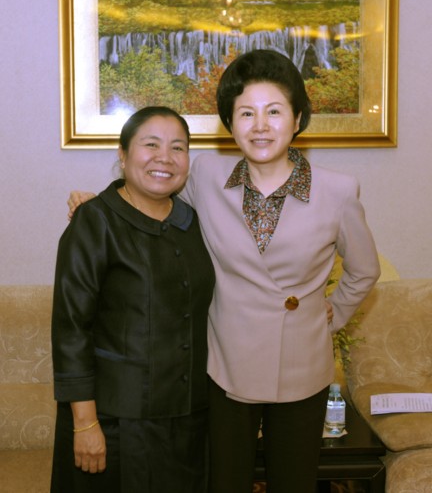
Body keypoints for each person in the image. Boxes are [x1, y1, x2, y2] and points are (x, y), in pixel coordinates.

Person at [67, 49, 380, 493]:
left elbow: (364, 271)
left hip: (302, 364)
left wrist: (333, 313)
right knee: (224, 483)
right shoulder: (207, 175)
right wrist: (101, 203)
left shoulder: (338, 190)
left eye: (274, 112)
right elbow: (155, 181)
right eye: (246, 113)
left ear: (297, 119)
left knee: (295, 483)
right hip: (226, 364)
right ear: (230, 125)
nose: (260, 125)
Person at [51, 106, 215, 493]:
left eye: (178, 147)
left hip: (189, 423)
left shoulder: (194, 223)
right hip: (114, 425)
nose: (165, 157)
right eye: (151, 144)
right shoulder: (95, 222)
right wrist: (85, 424)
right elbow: (71, 329)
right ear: (122, 155)